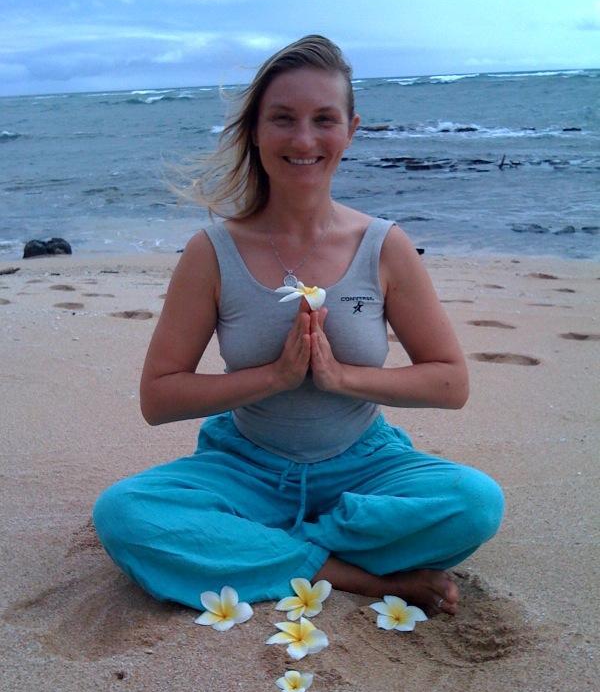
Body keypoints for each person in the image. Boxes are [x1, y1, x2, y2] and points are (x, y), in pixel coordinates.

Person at [93, 35, 504, 616]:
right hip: (245, 466)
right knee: (123, 514)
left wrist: (342, 380)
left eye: (323, 120)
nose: (304, 140)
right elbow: (159, 398)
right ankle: (346, 572)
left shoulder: (383, 246)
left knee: (475, 503)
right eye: (283, 119)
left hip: (364, 465)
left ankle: (268, 552)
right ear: (255, 131)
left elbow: (450, 382)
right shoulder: (211, 252)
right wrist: (274, 378)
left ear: (351, 130)